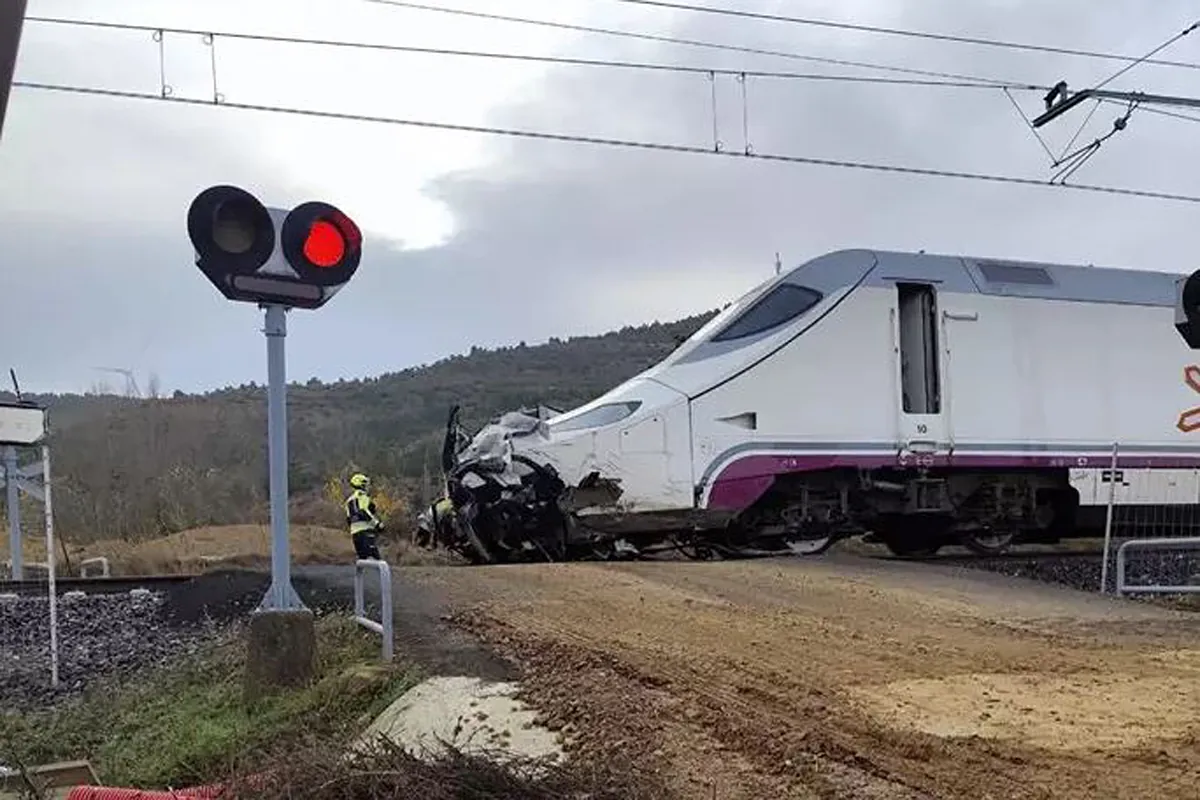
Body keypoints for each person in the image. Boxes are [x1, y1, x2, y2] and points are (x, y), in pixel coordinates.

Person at [345, 472, 383, 560]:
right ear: (361, 484)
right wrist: (377, 524)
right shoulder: (363, 497)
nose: (367, 486)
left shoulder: (349, 500)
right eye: (365, 484)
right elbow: (364, 512)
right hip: (366, 532)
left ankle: (361, 574)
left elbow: (348, 519)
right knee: (375, 559)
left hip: (355, 534)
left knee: (363, 560)